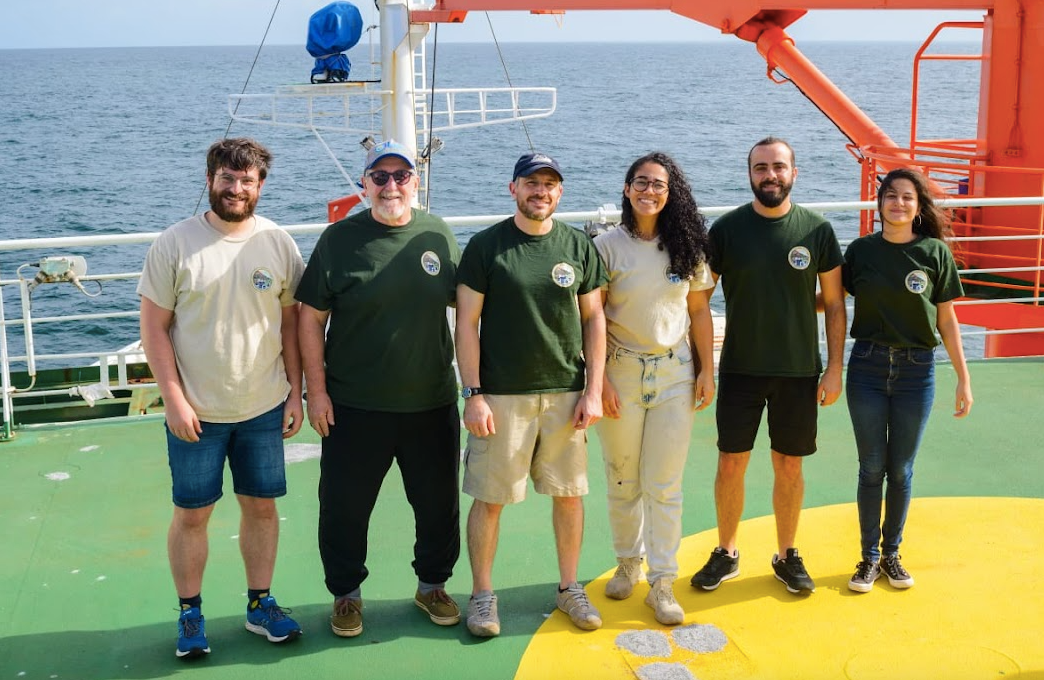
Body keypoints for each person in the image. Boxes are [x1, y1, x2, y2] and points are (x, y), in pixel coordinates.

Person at [138, 137, 305, 659]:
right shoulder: (174, 243)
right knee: (192, 514)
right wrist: (173, 398)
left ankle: (260, 604)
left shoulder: (279, 243)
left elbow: (291, 326)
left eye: (246, 180)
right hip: (196, 412)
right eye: (227, 178)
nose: (236, 189)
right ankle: (190, 612)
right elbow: (154, 328)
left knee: (261, 508)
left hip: (263, 406)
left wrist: (295, 394)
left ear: (260, 186)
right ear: (209, 179)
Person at [296, 139, 462, 638]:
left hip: (430, 402)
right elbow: (310, 319)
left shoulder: (436, 233)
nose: (392, 185)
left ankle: (432, 585)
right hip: (353, 405)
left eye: (401, 176)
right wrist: (315, 392)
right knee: (344, 508)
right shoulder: (339, 240)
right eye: (381, 176)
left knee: (438, 505)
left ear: (415, 182)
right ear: (364, 184)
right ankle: (346, 594)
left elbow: (469, 306)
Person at [456, 151, 608, 637]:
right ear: (513, 189)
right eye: (531, 183)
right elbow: (467, 323)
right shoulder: (486, 247)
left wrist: (593, 390)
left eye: (549, 184)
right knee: (490, 499)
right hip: (502, 397)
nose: (540, 191)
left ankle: (569, 588)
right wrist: (473, 393)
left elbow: (594, 319)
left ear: (559, 192)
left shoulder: (578, 245)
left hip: (566, 393)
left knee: (569, 496)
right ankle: (482, 596)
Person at [689, 136, 846, 595]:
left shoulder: (817, 230)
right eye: (761, 168)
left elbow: (835, 304)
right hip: (740, 368)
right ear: (750, 175)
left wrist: (835, 368)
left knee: (789, 465)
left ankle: (786, 553)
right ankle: (727, 552)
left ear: (794, 172)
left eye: (778, 166)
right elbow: (698, 301)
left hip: (799, 371)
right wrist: (704, 367)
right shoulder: (727, 230)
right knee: (730, 463)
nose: (770, 175)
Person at [593, 152, 716, 625]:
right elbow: (594, 317)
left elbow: (699, 311)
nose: (649, 191)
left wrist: (707, 370)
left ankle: (662, 582)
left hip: (674, 373)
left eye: (658, 184)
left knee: (664, 485)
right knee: (623, 479)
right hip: (620, 372)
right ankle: (629, 562)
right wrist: (599, 380)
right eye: (640, 182)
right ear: (627, 189)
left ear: (670, 192)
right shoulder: (606, 247)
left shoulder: (687, 246)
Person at [844, 168, 973, 593]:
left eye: (907, 197)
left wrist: (963, 378)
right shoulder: (861, 251)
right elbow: (830, 299)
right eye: (891, 196)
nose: (898, 203)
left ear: (918, 208)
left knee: (900, 469)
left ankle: (892, 554)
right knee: (871, 467)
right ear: (879, 203)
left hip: (917, 372)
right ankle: (868, 558)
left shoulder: (934, 253)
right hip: (866, 367)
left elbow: (947, 320)